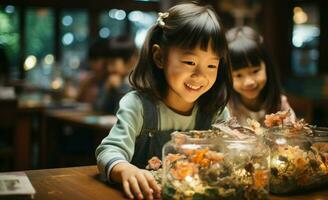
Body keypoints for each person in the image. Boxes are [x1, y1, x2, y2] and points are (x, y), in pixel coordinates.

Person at [95, 3, 233, 200]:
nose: (200, 75)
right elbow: (108, 151)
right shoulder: (137, 106)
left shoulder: (216, 112)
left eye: (212, 65)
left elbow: (228, 160)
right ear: (159, 57)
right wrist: (125, 169)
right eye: (190, 62)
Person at [226, 26, 296, 126]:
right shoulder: (225, 107)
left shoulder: (280, 104)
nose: (249, 82)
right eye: (238, 75)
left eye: (255, 71)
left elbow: (292, 134)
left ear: (267, 66)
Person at [94, 35, 138, 113]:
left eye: (113, 63)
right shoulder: (113, 79)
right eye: (107, 63)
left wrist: (119, 89)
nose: (109, 68)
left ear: (131, 61)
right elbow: (98, 109)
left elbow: (124, 114)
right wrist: (106, 89)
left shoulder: (138, 83)